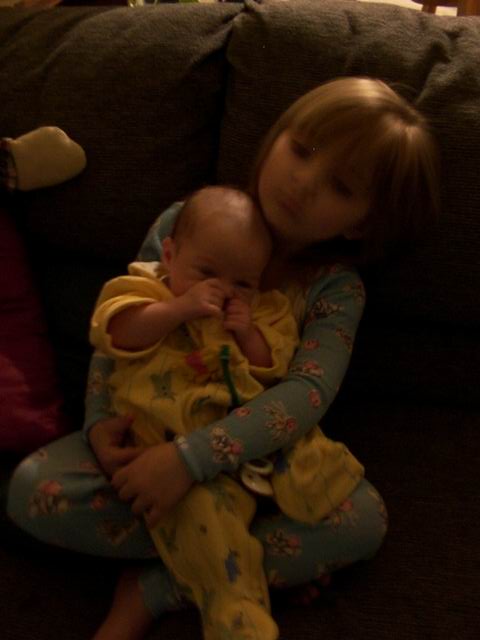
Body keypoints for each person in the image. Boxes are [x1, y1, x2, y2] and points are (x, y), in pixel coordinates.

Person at [7, 77, 440, 640]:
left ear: (360, 222)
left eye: (340, 185)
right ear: (277, 136)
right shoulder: (188, 220)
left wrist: (189, 461)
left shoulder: (334, 288)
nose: (305, 181)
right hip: (152, 428)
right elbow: (119, 321)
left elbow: (306, 395)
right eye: (302, 149)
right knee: (31, 491)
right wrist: (98, 427)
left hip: (257, 466)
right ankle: (254, 565)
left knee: (362, 522)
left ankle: (158, 588)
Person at [89, 185, 303, 639]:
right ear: (169, 255)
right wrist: (179, 308)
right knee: (210, 524)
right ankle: (238, 618)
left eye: (243, 283)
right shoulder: (146, 286)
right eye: (206, 272)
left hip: (231, 459)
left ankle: (174, 582)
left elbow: (275, 369)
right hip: (153, 455)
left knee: (224, 518)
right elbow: (116, 332)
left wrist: (247, 335)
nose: (223, 291)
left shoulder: (264, 311)